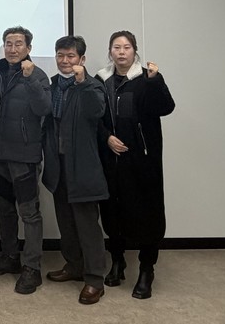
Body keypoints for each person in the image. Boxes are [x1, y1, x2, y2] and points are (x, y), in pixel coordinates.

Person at [95, 30, 175, 299]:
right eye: (116, 47)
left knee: (147, 215)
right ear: (110, 51)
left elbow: (166, 107)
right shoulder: (101, 79)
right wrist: (107, 138)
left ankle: (146, 270)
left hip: (142, 160)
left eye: (126, 47)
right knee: (112, 213)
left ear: (135, 51)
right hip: (111, 159)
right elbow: (95, 118)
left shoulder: (146, 78)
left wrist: (156, 82)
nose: (121, 52)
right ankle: (118, 262)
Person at [42, 35, 108, 305]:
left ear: (82, 59)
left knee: (87, 226)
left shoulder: (92, 85)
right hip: (58, 166)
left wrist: (82, 84)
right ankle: (73, 266)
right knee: (66, 223)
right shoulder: (52, 85)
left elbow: (96, 111)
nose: (65, 61)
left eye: (71, 56)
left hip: (82, 167)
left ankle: (95, 279)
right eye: (60, 55)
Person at [0, 26, 51, 294]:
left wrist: (30, 80)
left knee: (29, 213)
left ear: (29, 48)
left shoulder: (38, 75)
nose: (13, 49)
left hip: (25, 157)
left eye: (18, 44)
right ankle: (10, 256)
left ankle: (32, 267)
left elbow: (44, 108)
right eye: (8, 43)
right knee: (4, 210)